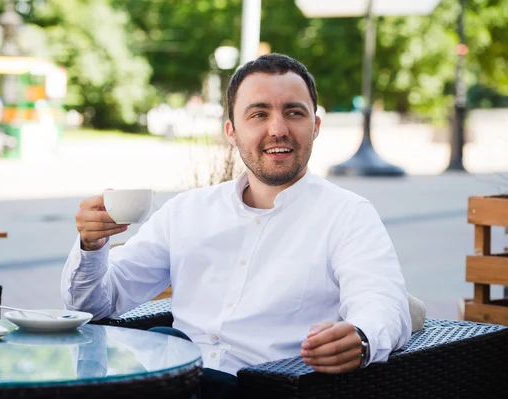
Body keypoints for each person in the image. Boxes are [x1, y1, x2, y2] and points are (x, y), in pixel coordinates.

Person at [62, 53, 414, 398]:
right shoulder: (187, 210)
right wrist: (91, 247)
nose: (277, 129)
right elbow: (95, 306)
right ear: (231, 131)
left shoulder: (347, 214)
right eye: (259, 114)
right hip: (181, 382)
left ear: (315, 126)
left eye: (294, 112)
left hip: (271, 388)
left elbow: (383, 302)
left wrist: (363, 339)